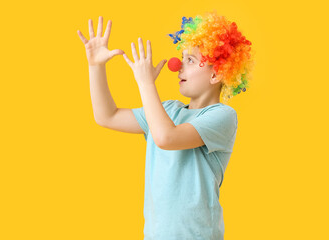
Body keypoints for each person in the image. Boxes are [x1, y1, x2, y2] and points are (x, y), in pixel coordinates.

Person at [77, 10, 254, 240]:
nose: (177, 65)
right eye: (181, 58)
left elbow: (166, 138)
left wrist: (145, 82)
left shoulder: (222, 116)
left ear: (216, 74)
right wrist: (95, 67)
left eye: (190, 60)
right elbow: (106, 116)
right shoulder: (168, 110)